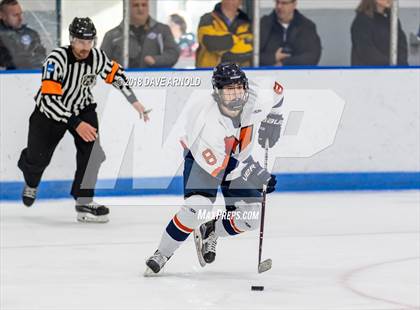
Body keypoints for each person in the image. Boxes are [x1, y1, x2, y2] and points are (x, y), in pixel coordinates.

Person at [145, 63, 284, 274]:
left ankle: (211, 229)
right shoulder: (205, 120)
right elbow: (225, 168)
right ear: (217, 92)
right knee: (196, 207)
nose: (236, 94)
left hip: (236, 159)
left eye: (239, 87)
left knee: (251, 216)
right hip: (203, 159)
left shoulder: (258, 95)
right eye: (229, 90)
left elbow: (277, 91)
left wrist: (274, 118)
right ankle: (162, 253)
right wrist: (253, 173)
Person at [17, 17, 150, 223]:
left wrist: (134, 101)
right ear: (71, 39)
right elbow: (50, 100)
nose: (85, 47)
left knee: (93, 154)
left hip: (82, 108)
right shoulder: (56, 59)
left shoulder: (96, 57)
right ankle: (31, 181)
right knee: (38, 159)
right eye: (80, 41)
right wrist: (76, 123)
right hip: (49, 113)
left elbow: (117, 75)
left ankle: (84, 201)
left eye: (90, 42)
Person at [101, 0, 179, 68]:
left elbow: (173, 54)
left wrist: (156, 60)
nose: (140, 9)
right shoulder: (112, 36)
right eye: (136, 5)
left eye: (144, 5)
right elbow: (101, 62)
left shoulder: (162, 31)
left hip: (154, 82)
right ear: (128, 8)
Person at [260, 0, 321, 66]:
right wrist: (273, 57)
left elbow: (312, 56)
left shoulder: (306, 26)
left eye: (284, 3)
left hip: (298, 75)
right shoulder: (263, 24)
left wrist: (284, 64)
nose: (279, 6)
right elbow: (251, 56)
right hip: (266, 75)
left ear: (294, 4)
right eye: (277, 2)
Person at [196, 0, 253, 68]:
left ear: (241, 1)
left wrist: (223, 54)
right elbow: (209, 42)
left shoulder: (247, 22)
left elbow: (250, 47)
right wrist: (235, 39)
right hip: (208, 73)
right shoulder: (207, 19)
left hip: (240, 73)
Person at [351, 0, 408, 66]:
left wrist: (401, 65)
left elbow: (402, 45)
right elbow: (366, 52)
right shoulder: (361, 21)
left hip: (394, 73)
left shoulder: (392, 20)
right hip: (369, 73)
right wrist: (391, 64)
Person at [0, 0, 46, 69]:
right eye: (15, 15)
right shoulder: (1, 36)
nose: (20, 19)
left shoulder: (31, 34)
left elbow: (41, 57)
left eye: (21, 14)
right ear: (2, 16)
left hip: (32, 75)